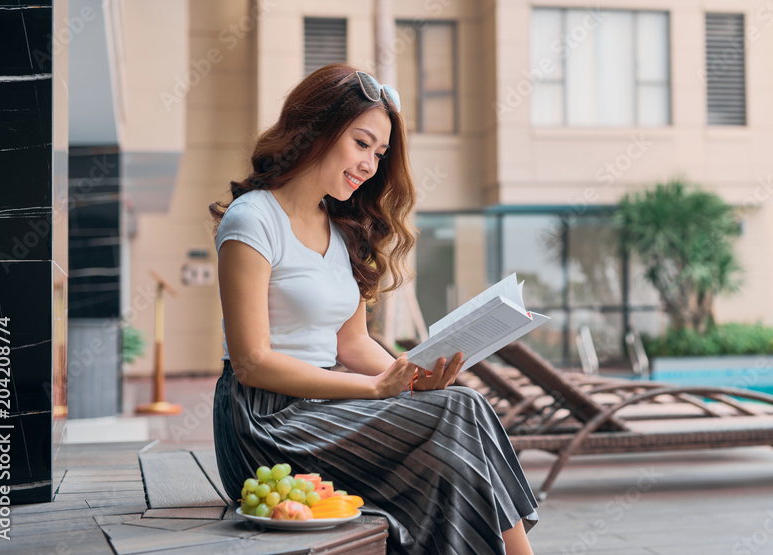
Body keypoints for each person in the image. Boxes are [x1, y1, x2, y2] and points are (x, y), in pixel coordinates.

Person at [208, 63, 538, 555]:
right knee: (456, 415)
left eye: (379, 154)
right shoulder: (252, 220)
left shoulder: (341, 229)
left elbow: (353, 343)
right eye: (361, 144)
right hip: (264, 424)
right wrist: (373, 389)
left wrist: (409, 379)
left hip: (325, 410)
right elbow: (253, 363)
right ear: (314, 129)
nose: (370, 164)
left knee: (457, 409)